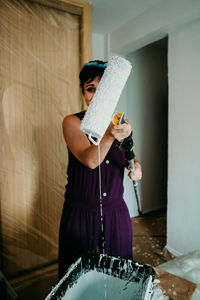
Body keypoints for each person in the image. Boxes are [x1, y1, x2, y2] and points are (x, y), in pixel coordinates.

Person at [58, 60, 142, 279]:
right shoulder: (72, 122)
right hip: (80, 213)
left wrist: (137, 168)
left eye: (102, 89)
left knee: (119, 274)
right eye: (90, 89)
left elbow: (131, 157)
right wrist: (109, 134)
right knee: (76, 275)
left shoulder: (122, 123)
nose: (95, 96)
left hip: (116, 213)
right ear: (82, 91)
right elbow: (90, 161)